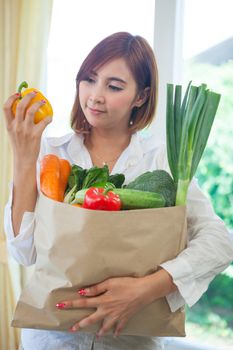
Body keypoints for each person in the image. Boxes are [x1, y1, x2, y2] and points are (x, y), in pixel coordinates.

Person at [3, 32, 233, 350]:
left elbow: (220, 242)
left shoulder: (164, 162)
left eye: (114, 86)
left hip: (131, 341)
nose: (95, 96)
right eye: (89, 79)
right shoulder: (51, 154)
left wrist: (148, 288)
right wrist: (23, 156)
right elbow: (22, 251)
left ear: (141, 96)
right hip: (52, 339)